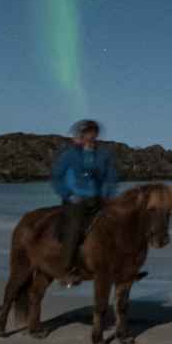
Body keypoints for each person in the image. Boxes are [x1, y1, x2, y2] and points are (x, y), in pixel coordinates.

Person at [51, 119, 120, 286]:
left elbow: (111, 177)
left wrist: (108, 194)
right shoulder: (70, 154)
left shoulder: (103, 154)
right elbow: (57, 177)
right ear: (82, 134)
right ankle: (66, 271)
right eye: (88, 132)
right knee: (74, 227)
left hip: (97, 199)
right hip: (76, 200)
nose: (91, 135)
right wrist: (68, 194)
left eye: (94, 132)